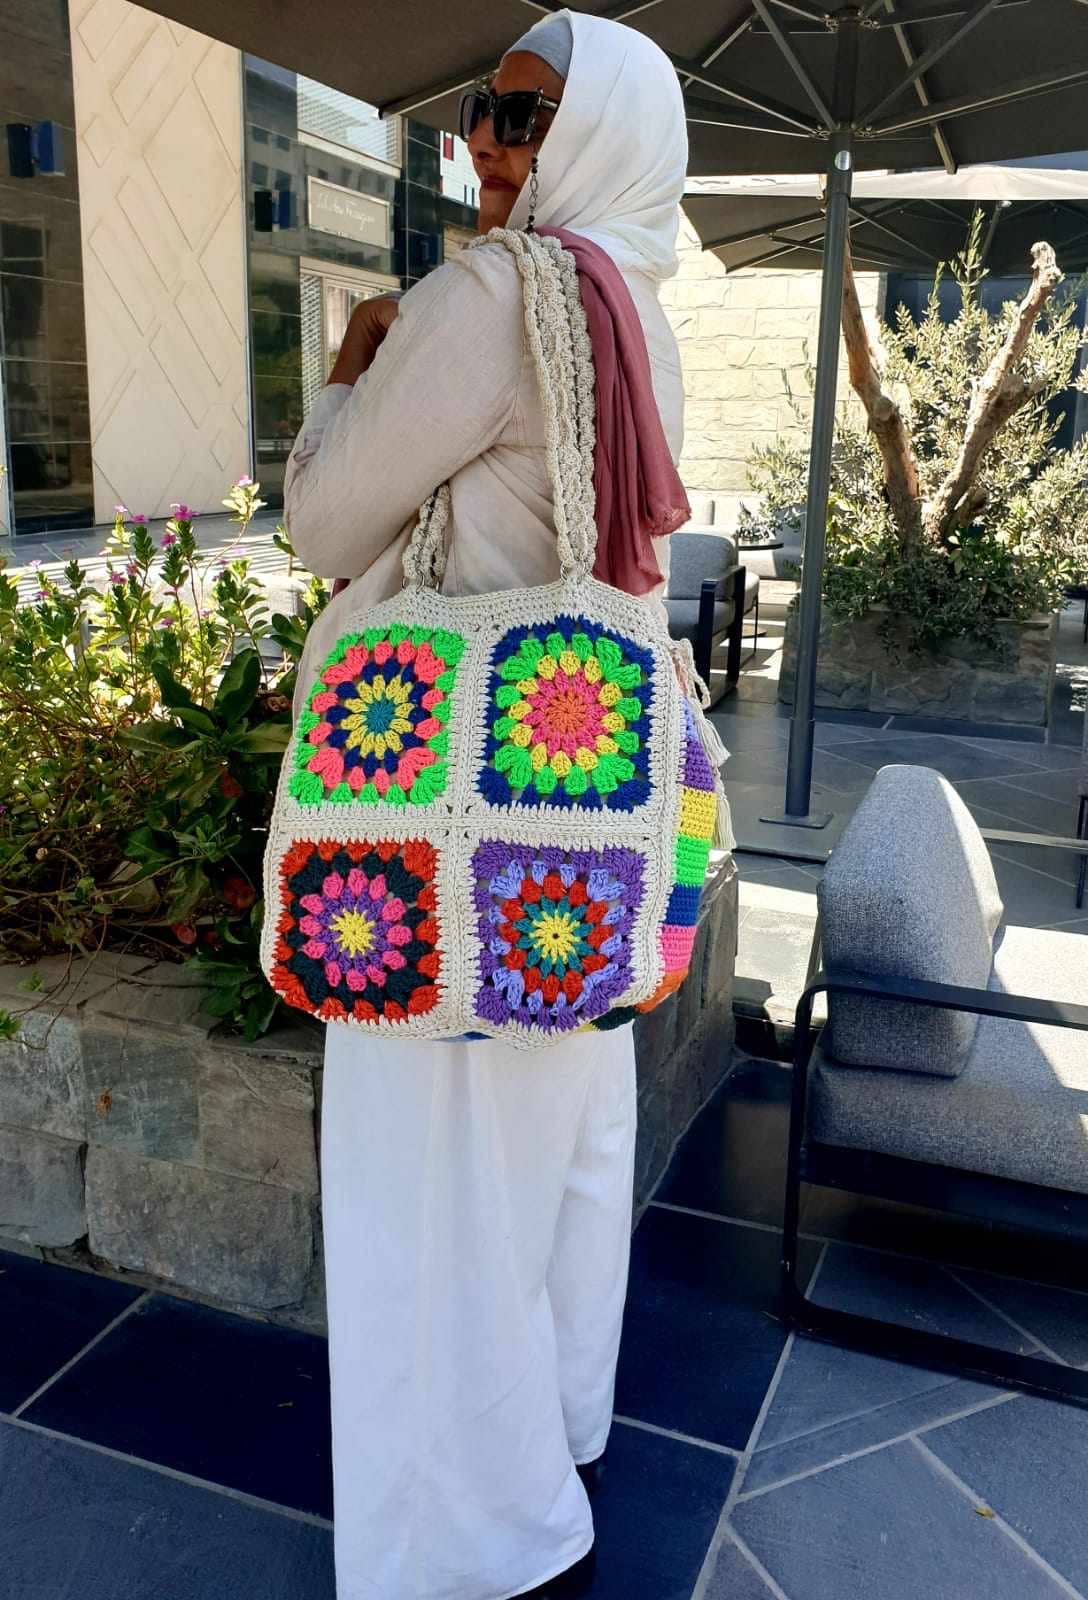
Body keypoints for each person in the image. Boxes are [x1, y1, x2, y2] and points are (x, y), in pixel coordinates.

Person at [284, 11, 687, 1598]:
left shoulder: (490, 295)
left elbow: (326, 526)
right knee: (556, 1160)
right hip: (580, 826)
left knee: (428, 1192)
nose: (487, 145)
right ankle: (560, 1434)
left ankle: (468, 1537)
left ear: (592, 134)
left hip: (444, 822)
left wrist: (350, 367)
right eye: (483, 111)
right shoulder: (640, 307)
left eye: (526, 116)